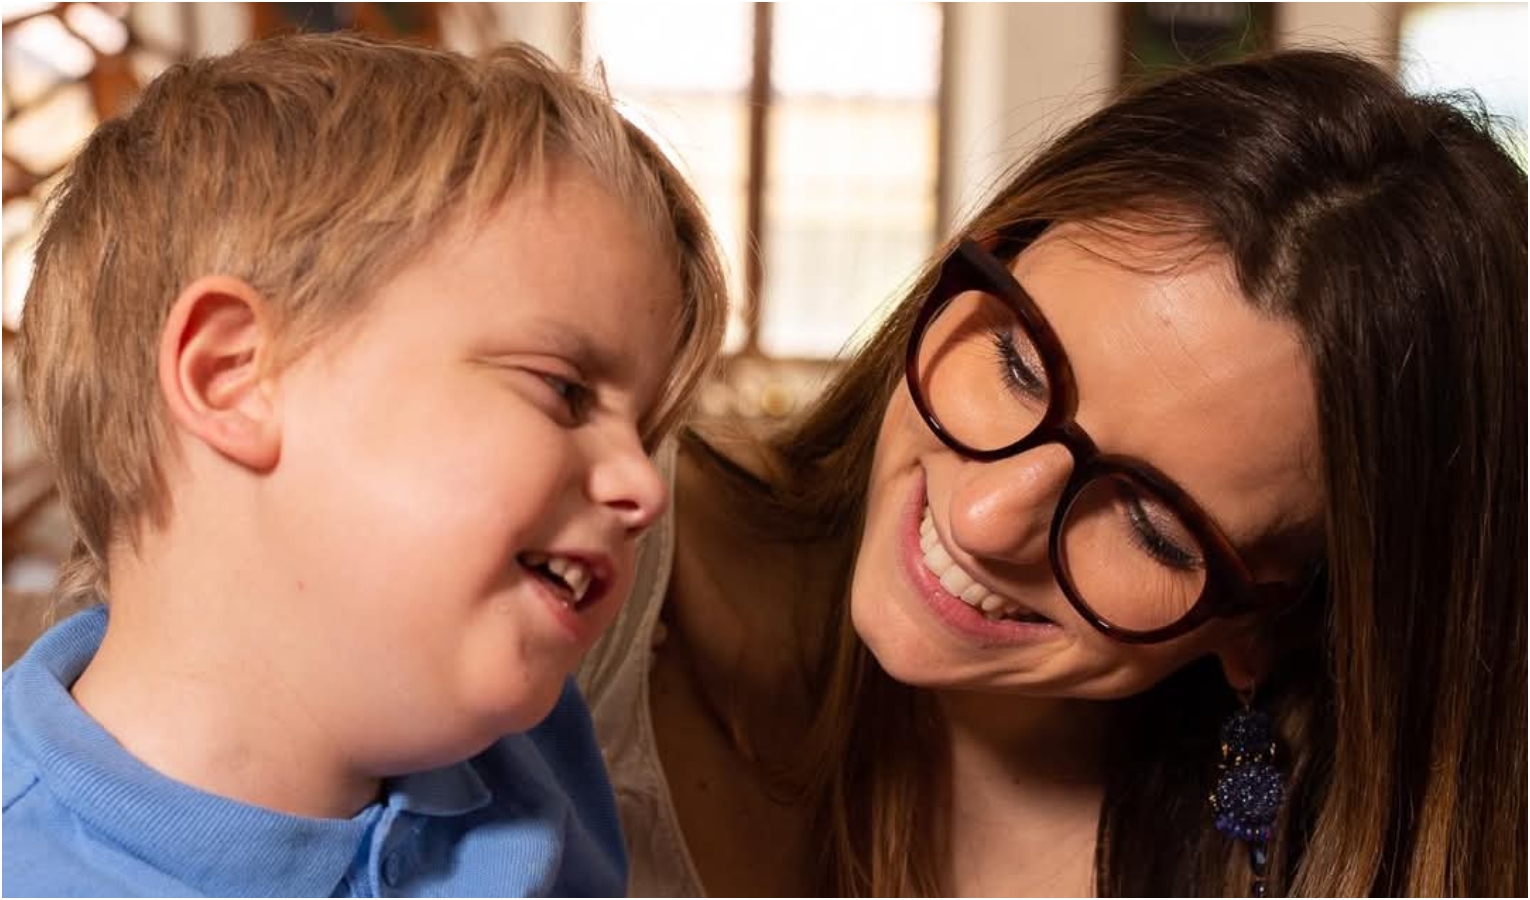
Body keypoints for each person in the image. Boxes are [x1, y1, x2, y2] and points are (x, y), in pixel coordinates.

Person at [578, 49, 1526, 897]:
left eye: (1152, 523)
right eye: (1017, 369)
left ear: (1269, 626)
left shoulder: (1309, 858)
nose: (989, 517)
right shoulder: (581, 547)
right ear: (979, 254)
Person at [4, 32, 726, 897]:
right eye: (565, 392)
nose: (645, 487)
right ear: (234, 376)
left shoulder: (535, 759)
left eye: (641, 432)